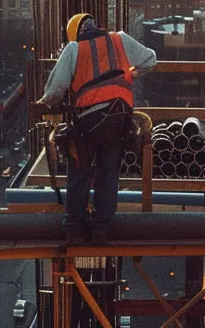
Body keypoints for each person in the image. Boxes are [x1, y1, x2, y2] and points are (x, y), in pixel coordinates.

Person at [31, 13, 157, 244]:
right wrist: (131, 73)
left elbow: (56, 88)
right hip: (119, 117)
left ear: (76, 34)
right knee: (109, 173)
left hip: (89, 120)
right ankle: (101, 228)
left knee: (80, 171)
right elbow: (150, 59)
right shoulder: (120, 39)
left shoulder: (74, 48)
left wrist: (47, 103)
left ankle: (74, 229)